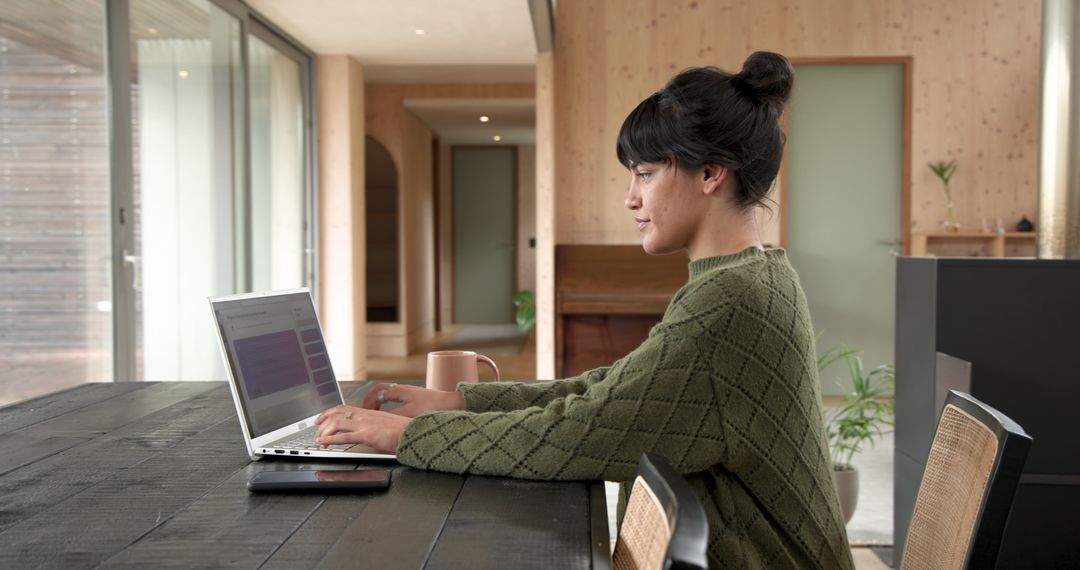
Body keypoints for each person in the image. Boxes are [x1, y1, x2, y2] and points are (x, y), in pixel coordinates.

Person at [315, 51, 854, 569]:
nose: (630, 198)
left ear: (711, 174)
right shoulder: (756, 276)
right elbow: (611, 390)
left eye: (644, 174)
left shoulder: (732, 299)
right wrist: (458, 402)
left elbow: (579, 432)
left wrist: (403, 437)